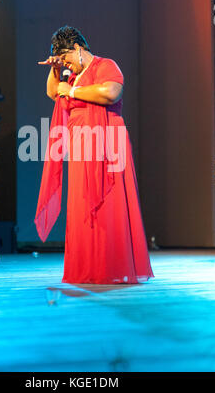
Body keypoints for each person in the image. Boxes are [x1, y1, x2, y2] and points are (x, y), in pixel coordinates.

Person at [35, 25, 154, 284]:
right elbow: (53, 91)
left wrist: (73, 91)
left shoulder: (105, 65)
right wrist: (56, 69)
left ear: (78, 49)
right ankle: (90, 266)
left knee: (108, 205)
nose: (67, 65)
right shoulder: (70, 77)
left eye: (66, 59)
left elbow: (111, 92)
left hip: (108, 142)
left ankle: (112, 266)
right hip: (82, 147)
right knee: (83, 205)